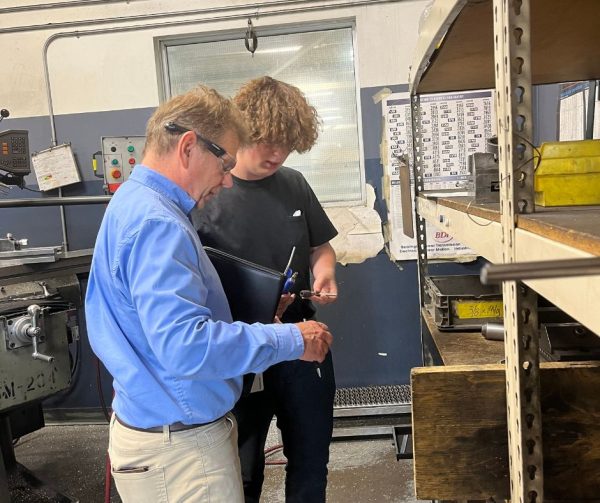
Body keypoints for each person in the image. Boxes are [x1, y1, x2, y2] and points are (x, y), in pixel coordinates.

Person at [85, 85, 333, 503]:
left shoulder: (132, 201)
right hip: (180, 450)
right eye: (225, 164)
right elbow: (186, 345)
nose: (227, 180)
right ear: (187, 147)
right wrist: (294, 338)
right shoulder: (158, 224)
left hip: (161, 428)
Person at [193, 76, 338, 503]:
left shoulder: (293, 184)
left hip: (300, 342)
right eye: (268, 142)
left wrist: (325, 272)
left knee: (311, 462)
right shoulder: (208, 192)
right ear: (242, 135)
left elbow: (320, 246)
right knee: (241, 468)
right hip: (239, 347)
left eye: (288, 144)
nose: (277, 154)